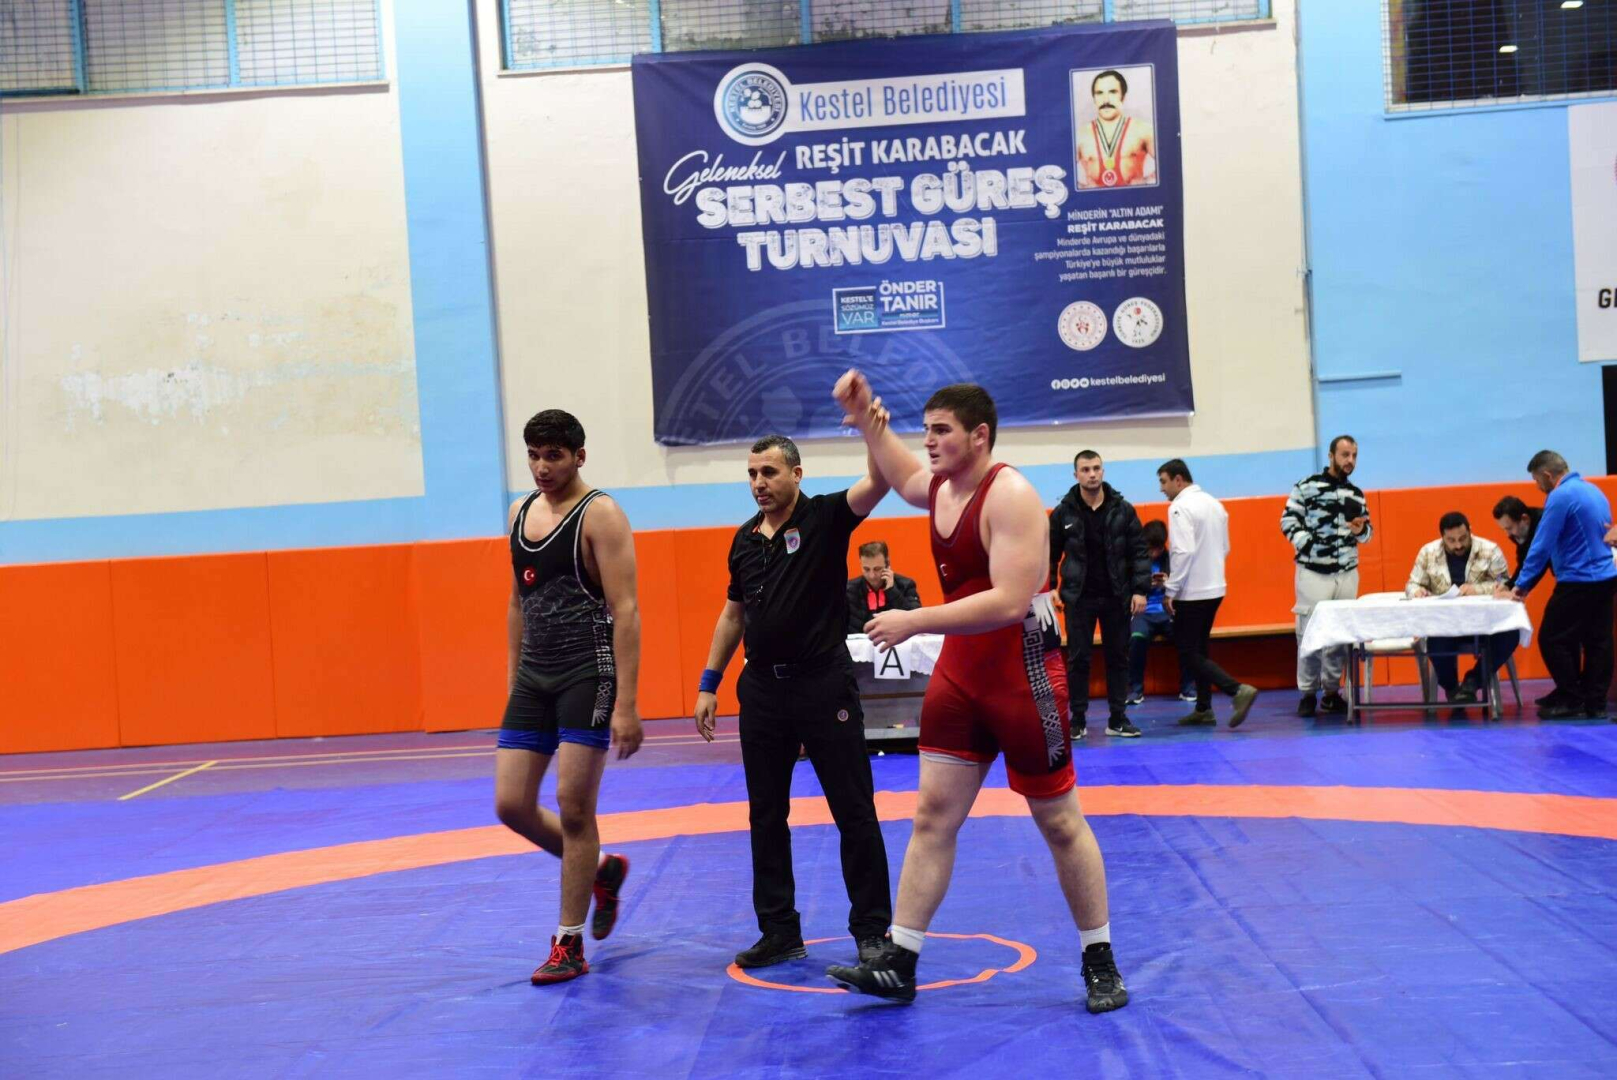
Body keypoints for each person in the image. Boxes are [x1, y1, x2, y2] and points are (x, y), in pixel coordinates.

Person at [824, 372, 1129, 1015]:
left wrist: (914, 620)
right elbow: (904, 475)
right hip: (964, 673)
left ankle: (1099, 958)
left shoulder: (1010, 494)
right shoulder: (941, 486)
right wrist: (868, 419)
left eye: (942, 431)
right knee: (932, 815)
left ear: (979, 436)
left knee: (1059, 822)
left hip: (1022, 673)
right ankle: (900, 961)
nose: (929, 442)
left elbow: (1010, 601)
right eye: (926, 430)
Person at [692, 432, 894, 971]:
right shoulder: (744, 540)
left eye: (769, 473)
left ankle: (872, 931)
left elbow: (878, 483)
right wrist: (709, 682)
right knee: (765, 814)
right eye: (752, 474)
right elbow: (733, 614)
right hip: (762, 690)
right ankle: (779, 931)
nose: (758, 483)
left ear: (797, 474)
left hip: (823, 683)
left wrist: (870, 429)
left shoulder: (825, 518)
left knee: (853, 809)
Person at [493, 409, 643, 985]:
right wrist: (515, 679)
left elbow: (625, 611)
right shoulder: (519, 513)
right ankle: (602, 870)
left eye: (553, 456)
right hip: (535, 676)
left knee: (575, 808)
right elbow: (517, 602)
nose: (541, 467)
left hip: (588, 672)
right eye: (534, 455)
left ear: (579, 456)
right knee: (511, 804)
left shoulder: (600, 514)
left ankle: (569, 943)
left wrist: (626, 704)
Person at [1505, 451, 1617, 720]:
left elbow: (1541, 545)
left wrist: (1521, 585)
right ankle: (1595, 702)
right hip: (1606, 578)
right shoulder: (1594, 491)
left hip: (1578, 581)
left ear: (1547, 475)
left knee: (1551, 638)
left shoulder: (1560, 496)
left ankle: (1571, 697)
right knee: (1598, 641)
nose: (1537, 486)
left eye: (1536, 480)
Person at [1049, 450, 1149, 738]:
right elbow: (1049, 554)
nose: (1091, 474)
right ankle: (1077, 720)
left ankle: (1117, 719)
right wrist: (1050, 588)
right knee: (1078, 660)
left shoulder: (1123, 509)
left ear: (1103, 472)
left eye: (1096, 468)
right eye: (1085, 469)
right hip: (1078, 597)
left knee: (1118, 658)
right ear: (1076, 475)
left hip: (1117, 597)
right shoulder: (1063, 512)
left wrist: (1140, 590)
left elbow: (1139, 551)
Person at [1157, 459, 1260, 728]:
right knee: (1200, 649)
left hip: (1192, 593)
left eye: (1164, 482)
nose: (1162, 489)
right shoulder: (1215, 504)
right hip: (1215, 588)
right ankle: (1204, 708)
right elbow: (1225, 548)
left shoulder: (1179, 507)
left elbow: (1183, 551)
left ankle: (1237, 690)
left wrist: (1171, 589)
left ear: (1178, 480)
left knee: (1187, 651)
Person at [1281, 436, 1372, 717]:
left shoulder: (1356, 494)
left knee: (1339, 636)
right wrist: (1309, 545)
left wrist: (1360, 531)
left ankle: (1332, 693)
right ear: (1331, 455)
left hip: (1347, 573)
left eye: (1354, 455)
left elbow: (1367, 534)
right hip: (1313, 573)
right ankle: (1308, 693)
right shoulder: (1306, 486)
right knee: (1308, 634)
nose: (1350, 461)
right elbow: (1288, 521)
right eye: (1345, 455)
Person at [1405, 511, 1517, 713]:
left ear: (1470, 531)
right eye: (1451, 540)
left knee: (1511, 635)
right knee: (1436, 644)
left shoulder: (1490, 550)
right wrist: (1417, 591)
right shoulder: (1428, 552)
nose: (1458, 545)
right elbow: (1412, 584)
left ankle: (1472, 682)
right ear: (1442, 537)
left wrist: (1477, 589)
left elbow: (1505, 582)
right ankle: (1453, 689)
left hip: (1484, 624)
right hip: (1445, 624)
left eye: (1463, 538)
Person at [1128, 520, 1196, 706]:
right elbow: (1125, 587)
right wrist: (1143, 585)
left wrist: (1169, 583)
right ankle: (1135, 690)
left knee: (1187, 638)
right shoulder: (1135, 560)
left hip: (1168, 612)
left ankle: (1188, 688)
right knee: (1137, 637)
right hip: (1143, 613)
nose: (1154, 553)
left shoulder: (1173, 560)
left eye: (1157, 549)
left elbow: (1184, 587)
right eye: (1151, 548)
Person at [1076, 69, 1156, 188]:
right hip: (1097, 200)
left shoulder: (1144, 130)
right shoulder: (1080, 135)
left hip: (1132, 199)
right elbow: (1063, 173)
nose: (1106, 100)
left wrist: (1147, 183)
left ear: (1123, 96)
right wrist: (1083, 189)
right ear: (1094, 99)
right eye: (1099, 93)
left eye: (1113, 92)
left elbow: (1168, 162)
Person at [846, 540, 922, 635]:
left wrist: (892, 591)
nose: (872, 575)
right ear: (860, 563)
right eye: (866, 569)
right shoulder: (848, 590)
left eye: (877, 569)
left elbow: (916, 621)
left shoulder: (906, 585)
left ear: (887, 564)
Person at [1492, 495, 1543, 588]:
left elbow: (1536, 563)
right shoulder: (1520, 532)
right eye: (1505, 529)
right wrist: (1509, 586)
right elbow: (1524, 563)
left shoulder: (1544, 525)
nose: (1508, 534)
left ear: (1525, 519)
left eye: (1509, 528)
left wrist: (1515, 588)